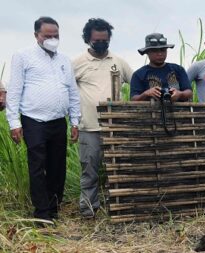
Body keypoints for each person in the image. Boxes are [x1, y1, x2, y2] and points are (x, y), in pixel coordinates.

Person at [6, 17, 81, 222]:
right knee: (37, 166)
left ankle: (54, 209)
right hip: (33, 120)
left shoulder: (64, 60)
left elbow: (72, 92)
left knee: (58, 166)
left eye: (55, 35)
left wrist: (75, 121)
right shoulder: (23, 56)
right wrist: (14, 123)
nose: (52, 39)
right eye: (47, 36)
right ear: (36, 35)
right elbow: (14, 91)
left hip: (58, 121)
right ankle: (42, 214)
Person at [73, 18, 133, 218]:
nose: (101, 43)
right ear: (88, 39)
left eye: (104, 40)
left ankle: (118, 208)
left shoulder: (118, 61)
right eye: (96, 40)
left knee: (118, 169)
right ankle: (88, 211)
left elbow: (136, 83)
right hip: (89, 127)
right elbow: (67, 91)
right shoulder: (78, 63)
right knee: (89, 170)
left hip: (115, 127)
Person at [130, 33, 192, 102]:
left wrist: (180, 94)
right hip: (150, 111)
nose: (160, 54)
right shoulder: (139, 75)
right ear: (147, 52)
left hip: (179, 111)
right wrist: (146, 94)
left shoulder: (178, 69)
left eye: (163, 50)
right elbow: (133, 99)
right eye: (155, 51)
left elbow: (189, 92)